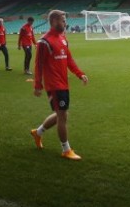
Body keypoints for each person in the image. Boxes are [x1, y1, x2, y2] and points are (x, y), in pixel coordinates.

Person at [30, 10, 89, 160]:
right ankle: (66, 149)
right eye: (63, 20)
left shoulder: (63, 38)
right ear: (54, 21)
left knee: (61, 114)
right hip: (54, 85)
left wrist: (79, 73)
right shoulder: (44, 42)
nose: (65, 23)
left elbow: (69, 59)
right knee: (62, 115)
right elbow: (38, 65)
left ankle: (38, 133)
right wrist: (37, 85)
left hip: (64, 83)